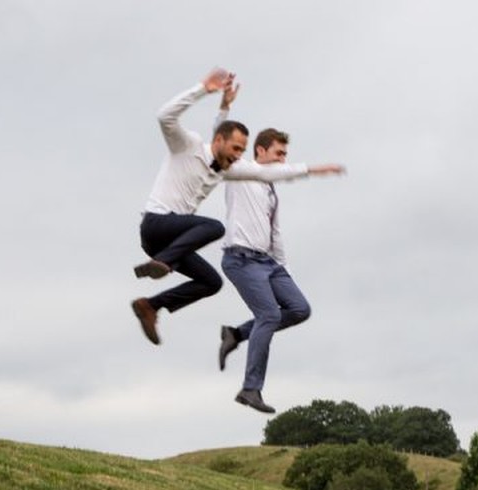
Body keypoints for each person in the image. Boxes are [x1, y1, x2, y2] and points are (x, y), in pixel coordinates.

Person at [130, 67, 329, 346]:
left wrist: (309, 170)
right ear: (219, 141)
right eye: (236, 149)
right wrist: (202, 89)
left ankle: (150, 306)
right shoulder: (187, 146)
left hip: (170, 243)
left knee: (211, 282)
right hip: (156, 224)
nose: (238, 156)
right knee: (214, 227)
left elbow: (262, 172)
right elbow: (165, 116)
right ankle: (163, 263)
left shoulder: (225, 168)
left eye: (241, 151)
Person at [214, 90, 345, 413]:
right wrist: (225, 106)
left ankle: (236, 334)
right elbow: (217, 142)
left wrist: (282, 267)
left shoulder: (270, 190)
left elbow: (274, 231)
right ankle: (250, 389)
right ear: (260, 151)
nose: (283, 159)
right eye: (278, 153)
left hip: (268, 262)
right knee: (270, 315)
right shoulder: (238, 170)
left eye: (286, 154)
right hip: (240, 259)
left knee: (299, 309)